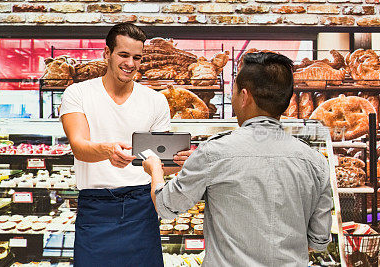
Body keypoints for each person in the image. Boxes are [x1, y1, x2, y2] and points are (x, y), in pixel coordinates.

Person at [143, 52, 333, 266]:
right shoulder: (316, 162)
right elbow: (319, 240)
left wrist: (155, 169)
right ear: (286, 101)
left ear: (244, 96)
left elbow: (167, 206)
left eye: (233, 91)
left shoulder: (213, 152)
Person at [60, 23, 190, 267]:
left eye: (137, 57)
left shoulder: (155, 100)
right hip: (95, 206)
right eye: (123, 55)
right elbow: (79, 146)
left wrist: (180, 163)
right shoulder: (78, 93)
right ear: (107, 53)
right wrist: (108, 151)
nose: (131, 63)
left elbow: (160, 165)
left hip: (142, 205)